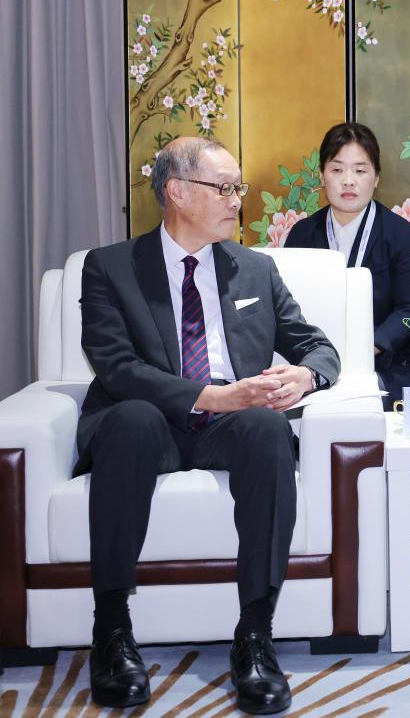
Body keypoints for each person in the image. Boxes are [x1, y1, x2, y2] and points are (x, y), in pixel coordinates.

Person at [79, 137, 339, 713]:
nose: (236, 200)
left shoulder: (256, 269)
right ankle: (112, 630)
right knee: (131, 419)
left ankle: (255, 635)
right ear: (176, 191)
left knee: (267, 429)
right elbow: (116, 367)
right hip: (150, 420)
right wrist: (213, 396)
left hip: (230, 427)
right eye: (224, 188)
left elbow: (317, 347)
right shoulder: (110, 268)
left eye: (237, 188)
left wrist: (304, 376)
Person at [285, 122, 410, 408]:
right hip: (313, 362)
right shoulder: (302, 234)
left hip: (387, 360)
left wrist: (368, 348)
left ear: (376, 177)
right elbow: (287, 308)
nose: (348, 181)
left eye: (360, 170)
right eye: (337, 169)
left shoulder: (402, 235)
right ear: (322, 175)